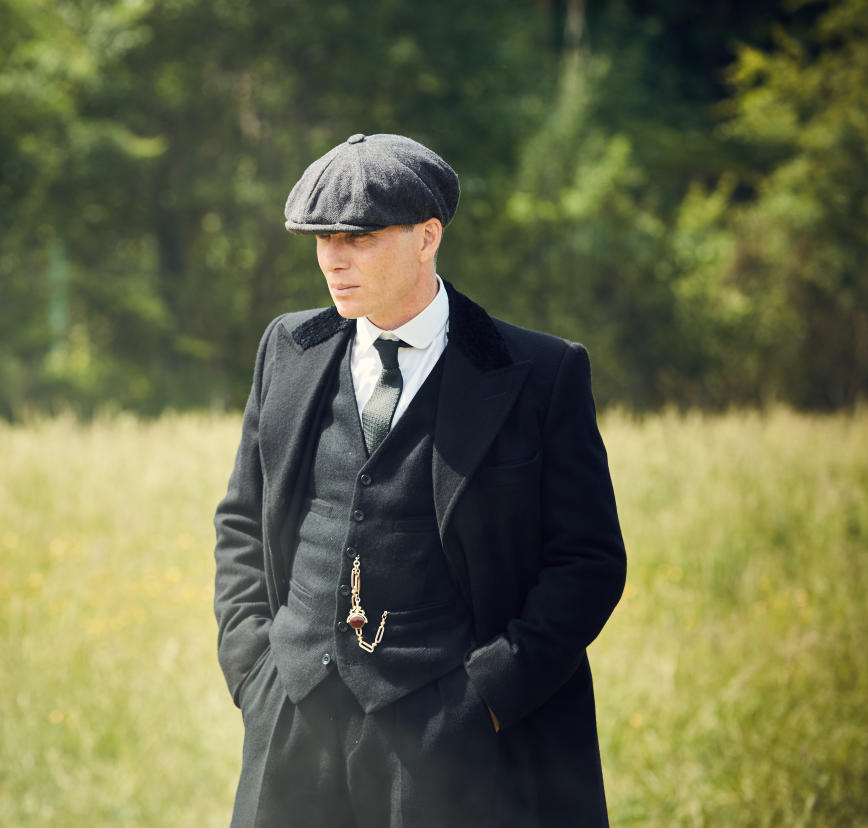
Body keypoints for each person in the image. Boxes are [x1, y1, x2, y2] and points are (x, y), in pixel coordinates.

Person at [213, 133, 626, 827]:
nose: (333, 259)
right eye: (321, 238)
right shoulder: (287, 350)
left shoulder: (541, 373)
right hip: (295, 721)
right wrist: (254, 669)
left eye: (359, 236)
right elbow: (241, 523)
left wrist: (489, 696)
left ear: (427, 237)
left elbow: (588, 562)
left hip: (454, 742)